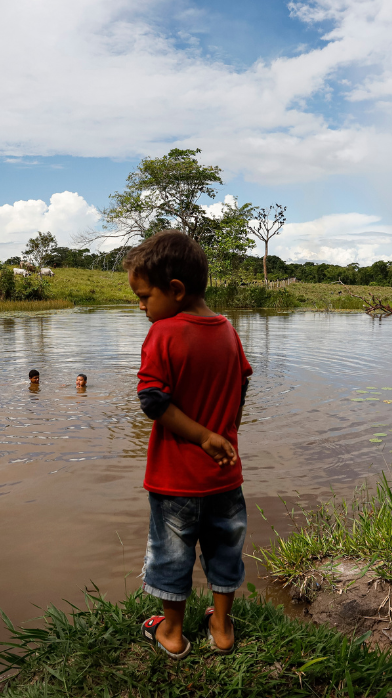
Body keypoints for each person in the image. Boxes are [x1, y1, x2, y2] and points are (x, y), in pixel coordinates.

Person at [125, 230, 252, 660]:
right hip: (224, 476)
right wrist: (224, 430)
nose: (141, 306)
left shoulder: (164, 333)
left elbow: (152, 400)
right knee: (224, 550)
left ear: (175, 291)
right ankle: (220, 627)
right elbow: (243, 380)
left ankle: (172, 633)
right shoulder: (228, 331)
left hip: (175, 478)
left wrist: (201, 436)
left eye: (144, 296)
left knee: (171, 554)